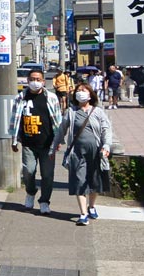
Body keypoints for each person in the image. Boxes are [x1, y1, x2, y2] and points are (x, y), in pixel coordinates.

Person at [52, 83, 112, 226]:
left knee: (94, 182)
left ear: (90, 95)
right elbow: (62, 130)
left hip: (96, 153)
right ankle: (83, 213)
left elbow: (106, 130)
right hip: (77, 153)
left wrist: (106, 145)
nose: (80, 93)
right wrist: (54, 146)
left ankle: (91, 206)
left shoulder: (98, 111)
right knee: (79, 181)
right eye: (78, 91)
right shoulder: (71, 112)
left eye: (83, 90)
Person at [10, 69, 63, 215]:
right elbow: (14, 120)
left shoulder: (51, 97)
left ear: (43, 81)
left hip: (48, 144)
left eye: (38, 79)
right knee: (29, 171)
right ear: (28, 80)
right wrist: (14, 140)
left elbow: (58, 120)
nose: (35, 82)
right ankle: (30, 192)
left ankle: (45, 201)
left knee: (47, 175)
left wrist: (58, 140)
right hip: (28, 143)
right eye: (32, 79)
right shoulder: (21, 97)